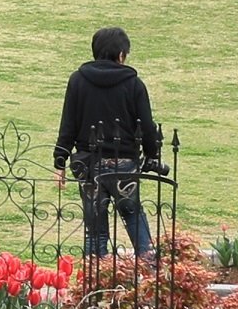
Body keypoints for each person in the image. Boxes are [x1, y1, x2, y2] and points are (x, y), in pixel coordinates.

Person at [53, 23, 163, 260]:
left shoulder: (78, 80)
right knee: (133, 217)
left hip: (89, 163)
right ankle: (151, 275)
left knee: (95, 230)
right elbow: (147, 126)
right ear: (121, 55)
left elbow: (68, 124)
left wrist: (60, 161)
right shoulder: (134, 84)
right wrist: (152, 155)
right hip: (123, 162)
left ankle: (95, 283)